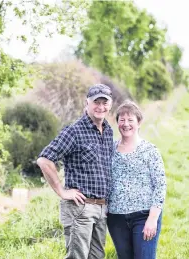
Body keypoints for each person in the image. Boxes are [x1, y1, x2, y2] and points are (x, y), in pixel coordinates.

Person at [37, 84, 114, 259]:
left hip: (102, 208)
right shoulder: (74, 131)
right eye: (96, 102)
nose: (100, 107)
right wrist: (62, 191)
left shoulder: (108, 131)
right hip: (81, 208)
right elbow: (44, 160)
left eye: (105, 102)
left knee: (97, 256)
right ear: (86, 103)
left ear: (110, 105)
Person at [107, 100, 167, 259]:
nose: (126, 124)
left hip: (144, 216)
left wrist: (153, 219)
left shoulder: (150, 151)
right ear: (117, 122)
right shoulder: (109, 149)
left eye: (130, 120)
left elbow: (160, 185)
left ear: (139, 122)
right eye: (122, 120)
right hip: (116, 218)